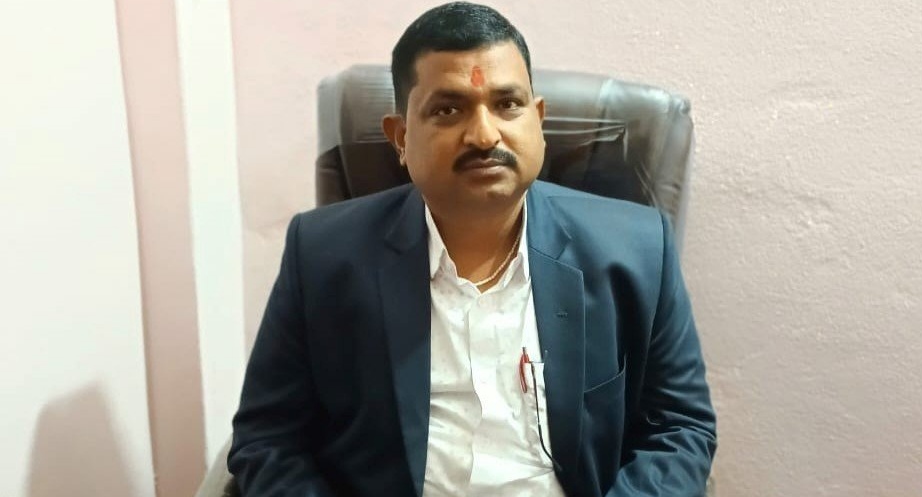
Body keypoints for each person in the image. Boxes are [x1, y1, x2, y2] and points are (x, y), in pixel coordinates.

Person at [227, 2, 716, 496]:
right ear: (401, 138)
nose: (484, 134)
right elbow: (268, 439)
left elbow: (680, 429)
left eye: (508, 105)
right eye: (448, 110)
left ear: (538, 120)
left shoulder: (635, 250)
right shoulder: (321, 257)